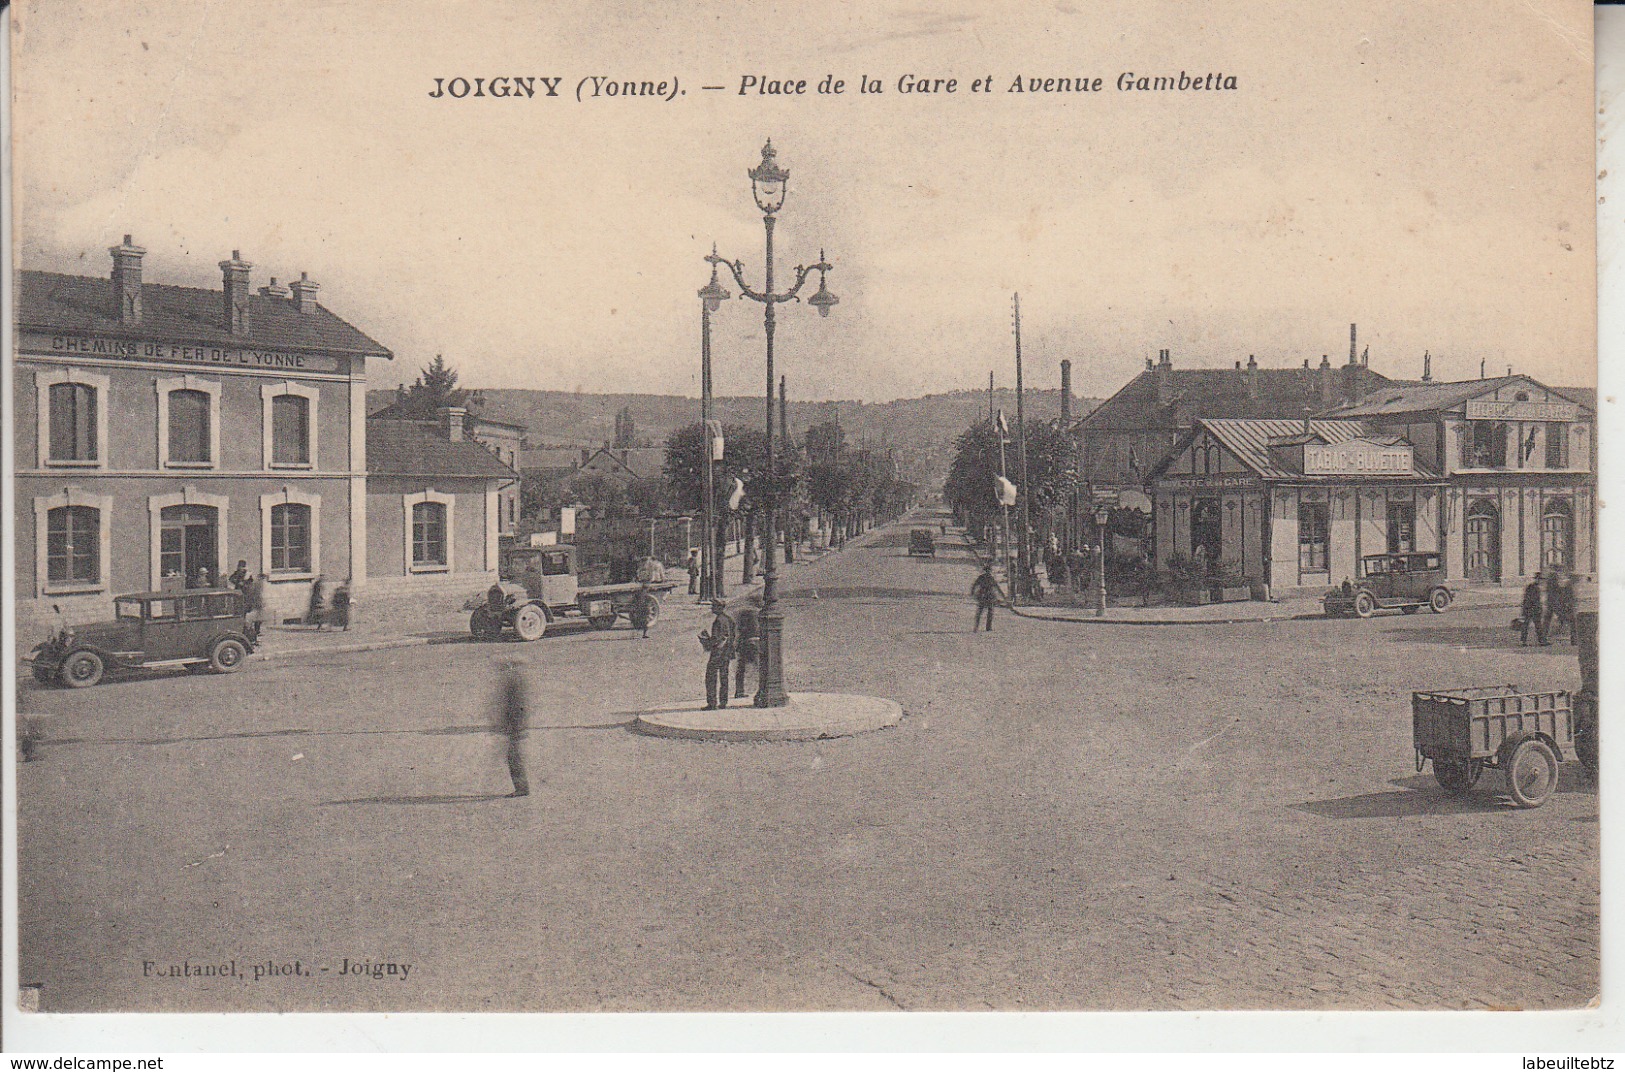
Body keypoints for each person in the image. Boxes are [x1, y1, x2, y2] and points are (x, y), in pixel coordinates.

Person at [495, 661, 530, 798]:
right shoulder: (515, 682)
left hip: (516, 727)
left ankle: (522, 788)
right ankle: (521, 788)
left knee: (513, 757)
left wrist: (514, 727)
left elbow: (516, 707)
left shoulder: (513, 684)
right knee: (513, 757)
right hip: (515, 727)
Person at [700, 598, 736, 710]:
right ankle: (723, 702)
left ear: (719, 608)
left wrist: (705, 640)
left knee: (710, 677)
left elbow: (717, 640)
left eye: (714, 606)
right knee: (724, 677)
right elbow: (732, 635)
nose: (712, 608)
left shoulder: (718, 621)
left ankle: (712, 703)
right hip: (726, 653)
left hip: (717, 654)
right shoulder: (729, 619)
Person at [734, 597, 761, 699]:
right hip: (754, 643)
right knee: (760, 667)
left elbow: (740, 629)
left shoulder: (743, 613)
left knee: (741, 668)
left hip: (743, 643)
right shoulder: (757, 614)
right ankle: (761, 689)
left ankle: (739, 691)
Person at [971, 563, 1003, 632]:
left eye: (989, 571)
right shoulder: (984, 577)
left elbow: (996, 587)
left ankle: (987, 627)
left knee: (989, 612)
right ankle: (977, 627)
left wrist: (973, 592)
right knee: (981, 612)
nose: (988, 572)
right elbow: (975, 585)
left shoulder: (988, 578)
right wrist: (973, 592)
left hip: (988, 596)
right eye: (987, 571)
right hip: (985, 595)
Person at [1520, 573, 1548, 646]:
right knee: (1534, 625)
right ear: (1537, 579)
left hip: (1529, 609)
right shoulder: (1534, 587)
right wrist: (1539, 608)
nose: (1541, 581)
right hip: (1532, 609)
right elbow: (1533, 600)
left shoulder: (1532, 586)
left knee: (1529, 625)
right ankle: (1541, 641)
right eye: (1540, 579)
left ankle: (1524, 641)